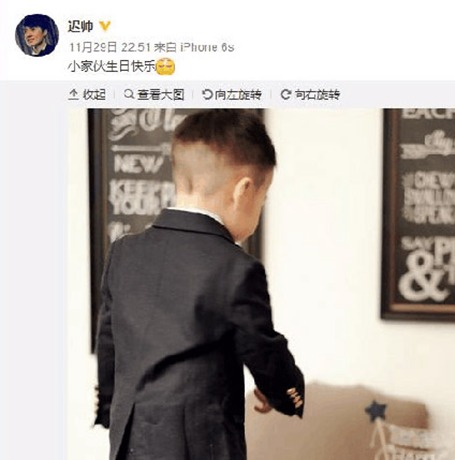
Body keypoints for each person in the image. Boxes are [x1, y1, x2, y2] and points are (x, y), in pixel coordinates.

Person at [95, 109, 305, 460]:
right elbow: (261, 348)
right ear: (243, 191)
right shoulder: (237, 268)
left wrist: (107, 407)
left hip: (130, 439)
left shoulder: (124, 253)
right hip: (199, 446)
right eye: (263, 199)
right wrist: (285, 391)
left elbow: (109, 343)